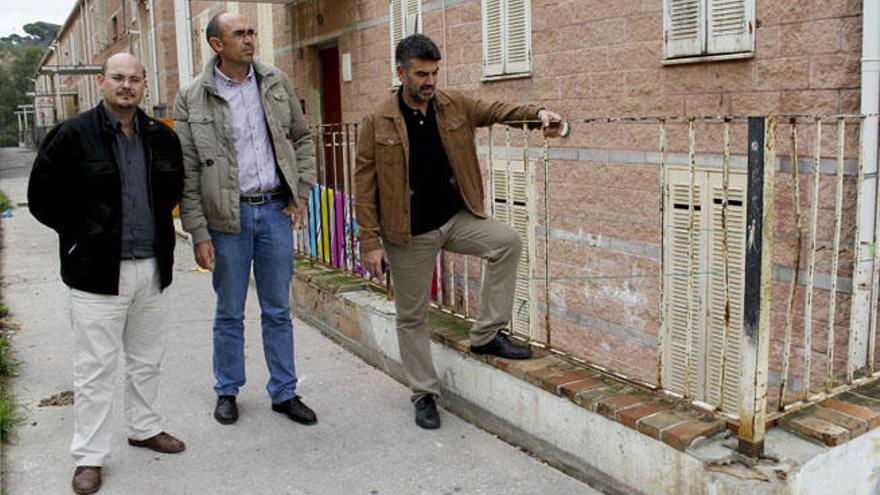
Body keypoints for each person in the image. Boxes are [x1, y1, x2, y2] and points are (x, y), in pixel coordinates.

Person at [354, 34, 566, 430]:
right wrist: (370, 241)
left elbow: (496, 108)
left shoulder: (454, 106)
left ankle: (486, 334)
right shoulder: (376, 120)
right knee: (412, 315)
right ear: (400, 73)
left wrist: (536, 115)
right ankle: (423, 393)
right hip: (410, 232)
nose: (430, 81)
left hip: (456, 218)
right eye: (421, 74)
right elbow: (364, 184)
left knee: (506, 242)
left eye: (434, 72)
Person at [28, 53, 185, 494]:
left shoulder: (160, 137)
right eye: (117, 78)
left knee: (146, 361)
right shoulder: (72, 136)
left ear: (144, 84)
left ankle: (145, 427)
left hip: (152, 269)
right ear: (101, 82)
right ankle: (90, 457)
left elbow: (173, 191)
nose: (126, 86)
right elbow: (41, 198)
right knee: (94, 370)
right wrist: (83, 234)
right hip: (96, 274)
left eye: (134, 79)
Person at [174, 12, 317, 427]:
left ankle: (284, 392)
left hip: (273, 211)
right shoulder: (193, 97)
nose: (250, 39)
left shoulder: (274, 81)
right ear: (217, 44)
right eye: (240, 34)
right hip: (226, 220)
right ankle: (227, 390)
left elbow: (302, 138)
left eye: (252, 31)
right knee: (229, 311)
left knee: (277, 310)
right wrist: (198, 231)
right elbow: (189, 172)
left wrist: (301, 191)